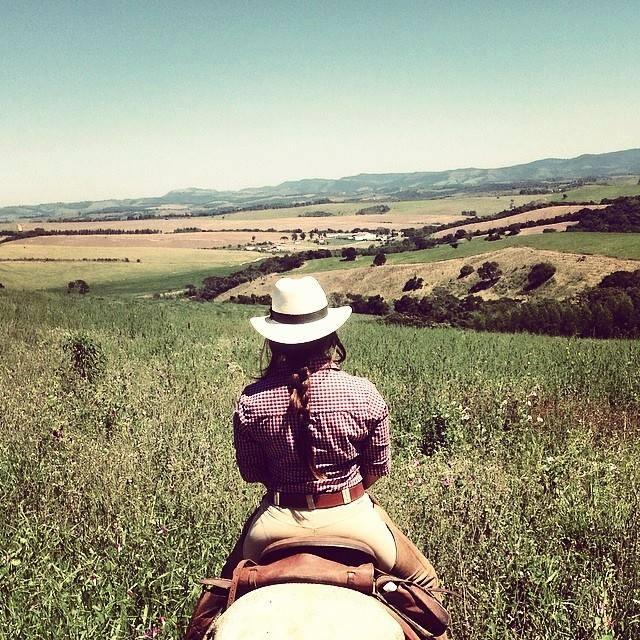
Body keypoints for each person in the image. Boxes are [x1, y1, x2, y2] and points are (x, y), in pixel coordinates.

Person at [221, 276, 444, 602]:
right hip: (352, 518)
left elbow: (252, 474)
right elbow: (376, 469)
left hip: (275, 523)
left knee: (217, 597)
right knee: (428, 584)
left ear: (273, 340)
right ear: (330, 335)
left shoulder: (251, 401)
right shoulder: (363, 393)